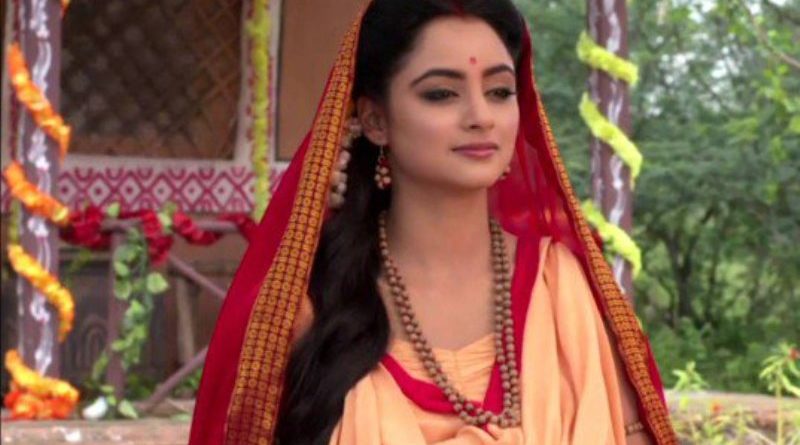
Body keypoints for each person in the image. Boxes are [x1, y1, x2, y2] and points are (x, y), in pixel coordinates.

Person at [188, 0, 676, 444]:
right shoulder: (304, 306)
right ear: (375, 120)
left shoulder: (562, 288)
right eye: (441, 93)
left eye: (500, 91)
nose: (481, 116)